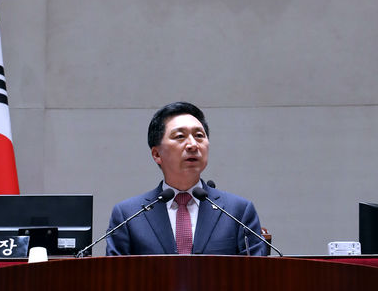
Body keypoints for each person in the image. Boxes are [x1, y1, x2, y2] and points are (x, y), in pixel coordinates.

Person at [106, 101, 267, 255]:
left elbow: (255, 277)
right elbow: (115, 278)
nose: (193, 145)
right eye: (180, 136)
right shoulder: (128, 215)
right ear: (157, 154)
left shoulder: (238, 212)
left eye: (199, 135)